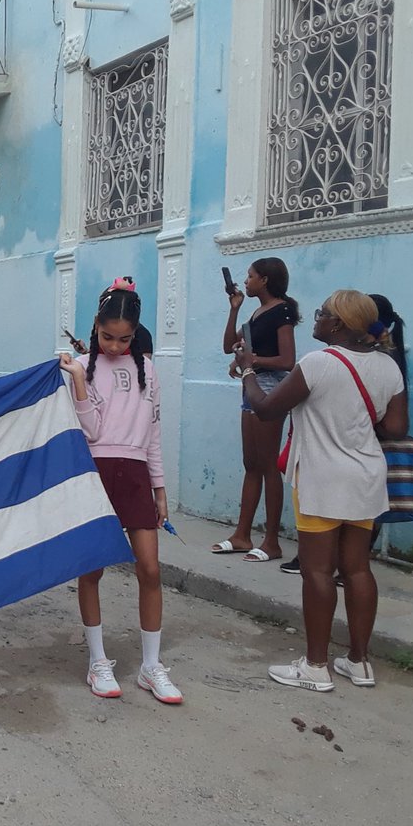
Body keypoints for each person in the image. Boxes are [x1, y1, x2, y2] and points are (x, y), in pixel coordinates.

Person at [238, 290, 407, 692]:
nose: (315, 319)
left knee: (317, 571)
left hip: (322, 479)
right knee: (357, 569)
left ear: (338, 325)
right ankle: (359, 662)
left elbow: (265, 408)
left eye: (322, 314)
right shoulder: (388, 367)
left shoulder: (318, 363)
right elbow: (396, 429)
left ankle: (315, 666)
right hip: (366, 477)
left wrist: (247, 370)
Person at [58, 284, 181, 704]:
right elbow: (89, 431)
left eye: (124, 338)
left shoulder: (149, 369)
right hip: (95, 473)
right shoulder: (81, 366)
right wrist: (77, 381)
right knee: (92, 570)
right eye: (107, 336)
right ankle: (97, 660)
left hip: (135, 475)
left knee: (150, 569)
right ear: (95, 327)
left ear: (135, 333)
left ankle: (150, 666)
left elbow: (154, 435)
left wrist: (160, 488)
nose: (114, 345)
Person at [211, 259, 300, 562]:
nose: (245, 282)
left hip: (272, 389)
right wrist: (234, 307)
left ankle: (272, 541)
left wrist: (253, 361)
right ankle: (242, 534)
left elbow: (288, 360)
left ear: (264, 280)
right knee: (252, 462)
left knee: (268, 464)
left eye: (249, 277)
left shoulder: (282, 312)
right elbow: (228, 346)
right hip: (251, 388)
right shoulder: (256, 313)